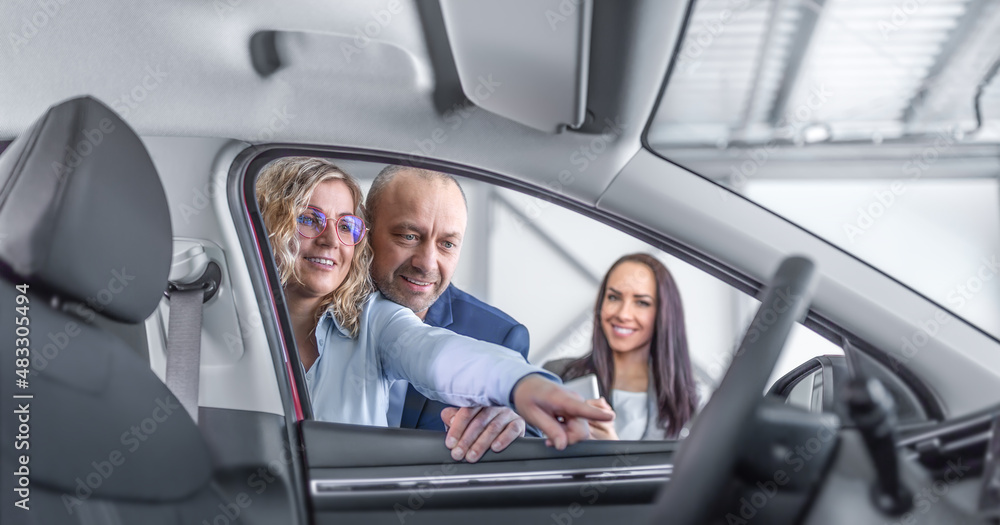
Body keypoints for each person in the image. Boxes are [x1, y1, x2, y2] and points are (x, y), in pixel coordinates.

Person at [255, 156, 612, 451]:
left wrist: (522, 387)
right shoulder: (232, 319)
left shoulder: (374, 320)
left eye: (447, 244)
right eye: (307, 219)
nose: (331, 239)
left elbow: (434, 352)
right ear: (370, 233)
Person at [366, 165, 533, 462]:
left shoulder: (498, 336)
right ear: (366, 230)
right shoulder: (320, 310)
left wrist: (512, 429)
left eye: (447, 244)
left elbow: (531, 444)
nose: (427, 264)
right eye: (408, 236)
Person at [543, 253, 698, 440]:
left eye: (642, 302)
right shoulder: (556, 375)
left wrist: (610, 452)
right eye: (614, 298)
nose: (623, 314)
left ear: (663, 313)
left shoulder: (688, 399)